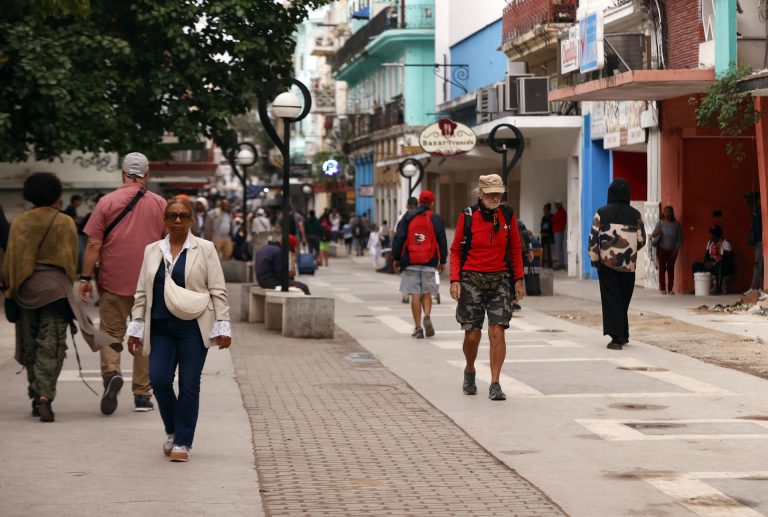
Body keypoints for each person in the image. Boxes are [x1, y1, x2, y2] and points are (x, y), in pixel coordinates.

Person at [127, 198, 231, 462]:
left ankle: (183, 442)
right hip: (160, 326)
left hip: (193, 328)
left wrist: (223, 325)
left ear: (191, 220)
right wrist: (136, 327)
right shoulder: (152, 250)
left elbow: (217, 290)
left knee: (188, 385)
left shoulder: (205, 249)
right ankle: (173, 429)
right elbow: (141, 292)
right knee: (159, 380)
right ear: (164, 220)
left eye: (183, 216)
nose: (177, 221)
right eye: (172, 216)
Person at [4, 173, 111, 422]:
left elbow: (11, 260)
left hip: (25, 291)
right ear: (55, 194)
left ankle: (35, 393)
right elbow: (70, 261)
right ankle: (45, 396)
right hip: (55, 291)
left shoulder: (20, 222)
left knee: (30, 345)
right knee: (51, 346)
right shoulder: (64, 222)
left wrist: (11, 288)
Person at [80, 152, 167, 414]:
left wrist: (85, 278)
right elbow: (170, 245)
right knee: (143, 335)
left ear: (122, 173)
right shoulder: (160, 203)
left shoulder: (106, 202)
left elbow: (94, 243)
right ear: (146, 176)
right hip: (149, 282)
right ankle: (142, 395)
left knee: (110, 332)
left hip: (113, 280)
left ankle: (112, 374)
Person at [450, 174, 524, 401]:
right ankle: (470, 369)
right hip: (471, 279)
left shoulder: (508, 215)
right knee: (472, 334)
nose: (495, 198)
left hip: (500, 280)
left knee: (497, 331)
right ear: (480, 194)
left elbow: (515, 249)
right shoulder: (468, 216)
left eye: (498, 194)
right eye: (490, 194)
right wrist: (455, 279)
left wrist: (518, 279)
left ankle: (495, 383)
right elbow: (455, 250)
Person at [588, 178, 646, 350]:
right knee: (623, 299)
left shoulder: (602, 213)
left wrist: (595, 259)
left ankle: (616, 338)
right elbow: (642, 240)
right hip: (628, 266)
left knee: (612, 299)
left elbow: (593, 239)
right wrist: (631, 251)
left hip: (607, 265)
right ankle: (624, 333)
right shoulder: (635, 215)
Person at [392, 190, 447, 339]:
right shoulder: (436, 219)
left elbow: (400, 237)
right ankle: (427, 316)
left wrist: (396, 257)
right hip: (430, 260)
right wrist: (443, 261)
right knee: (427, 292)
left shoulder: (408, 217)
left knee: (415, 293)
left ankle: (418, 328)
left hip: (411, 260)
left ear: (419, 201)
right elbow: (442, 240)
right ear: (432, 202)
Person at [692, 225, 734, 294]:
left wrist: (714, 263)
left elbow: (728, 261)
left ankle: (718, 288)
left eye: (712, 234)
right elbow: (706, 257)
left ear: (716, 236)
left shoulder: (725, 244)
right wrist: (706, 263)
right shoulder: (710, 243)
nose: (710, 236)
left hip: (725, 269)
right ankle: (697, 288)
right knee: (696, 265)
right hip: (713, 267)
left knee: (719, 264)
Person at [651, 205, 681, 294]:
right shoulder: (659, 223)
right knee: (662, 269)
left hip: (672, 250)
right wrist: (657, 232)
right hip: (661, 249)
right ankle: (663, 288)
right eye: (665, 211)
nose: (666, 213)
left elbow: (679, 238)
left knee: (671, 269)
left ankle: (670, 289)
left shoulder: (676, 224)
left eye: (668, 211)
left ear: (672, 213)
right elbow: (653, 235)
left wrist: (676, 249)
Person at [396, 197, 419, 304]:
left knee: (406, 274)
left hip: (407, 252)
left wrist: (396, 257)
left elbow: (398, 237)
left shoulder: (402, 218)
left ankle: (405, 295)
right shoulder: (423, 216)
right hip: (421, 251)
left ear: (406, 205)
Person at [746, 192, 763, 294]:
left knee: (759, 264)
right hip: (757, 241)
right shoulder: (754, 211)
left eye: (749, 200)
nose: (747, 202)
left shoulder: (758, 211)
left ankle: (757, 287)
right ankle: (757, 287)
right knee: (758, 264)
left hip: (760, 240)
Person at [552, 200, 567, 270]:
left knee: (559, 248)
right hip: (558, 232)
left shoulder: (561, 212)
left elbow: (554, 219)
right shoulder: (560, 211)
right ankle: (560, 263)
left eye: (556, 204)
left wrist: (553, 218)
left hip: (559, 232)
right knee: (559, 248)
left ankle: (561, 264)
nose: (555, 206)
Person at [540, 203, 554, 268]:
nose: (544, 211)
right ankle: (542, 264)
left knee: (549, 249)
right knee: (541, 249)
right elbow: (542, 227)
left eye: (545, 209)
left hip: (550, 236)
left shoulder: (552, 217)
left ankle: (549, 265)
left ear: (548, 210)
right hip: (544, 237)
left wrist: (547, 233)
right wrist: (542, 233)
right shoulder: (543, 218)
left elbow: (552, 227)